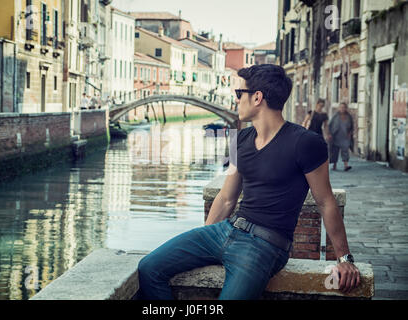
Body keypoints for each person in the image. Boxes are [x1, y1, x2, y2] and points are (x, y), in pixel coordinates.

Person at [137, 64, 360, 300]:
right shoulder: (239, 139)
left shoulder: (306, 143)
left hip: (264, 245)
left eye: (238, 94)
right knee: (149, 268)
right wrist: (204, 240)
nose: (235, 100)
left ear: (257, 97)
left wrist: (344, 259)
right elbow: (226, 198)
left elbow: (325, 202)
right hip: (226, 230)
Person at [328, 102, 354, 171]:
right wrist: (329, 134)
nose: (342, 109)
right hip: (336, 136)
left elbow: (351, 126)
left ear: (346, 108)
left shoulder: (349, 117)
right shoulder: (335, 116)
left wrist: (350, 133)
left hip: (345, 137)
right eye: (341, 107)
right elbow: (330, 125)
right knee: (335, 151)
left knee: (345, 150)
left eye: (344, 107)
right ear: (339, 108)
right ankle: (334, 165)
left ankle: (346, 166)